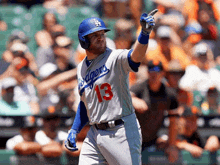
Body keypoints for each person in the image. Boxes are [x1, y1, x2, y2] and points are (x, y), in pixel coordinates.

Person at [65, 9, 158, 165]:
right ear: (83, 40)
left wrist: (144, 34)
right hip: (94, 132)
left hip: (121, 131)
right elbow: (85, 104)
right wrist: (75, 129)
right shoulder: (81, 68)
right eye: (95, 35)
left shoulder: (115, 57)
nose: (101, 38)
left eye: (102, 34)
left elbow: (135, 57)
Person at [130, 60, 179, 163]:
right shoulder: (141, 88)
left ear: (162, 73)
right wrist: (133, 100)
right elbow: (126, 95)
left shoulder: (169, 94)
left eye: (157, 70)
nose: (154, 74)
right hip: (132, 139)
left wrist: (172, 146)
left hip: (152, 140)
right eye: (151, 70)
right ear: (147, 72)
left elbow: (173, 122)